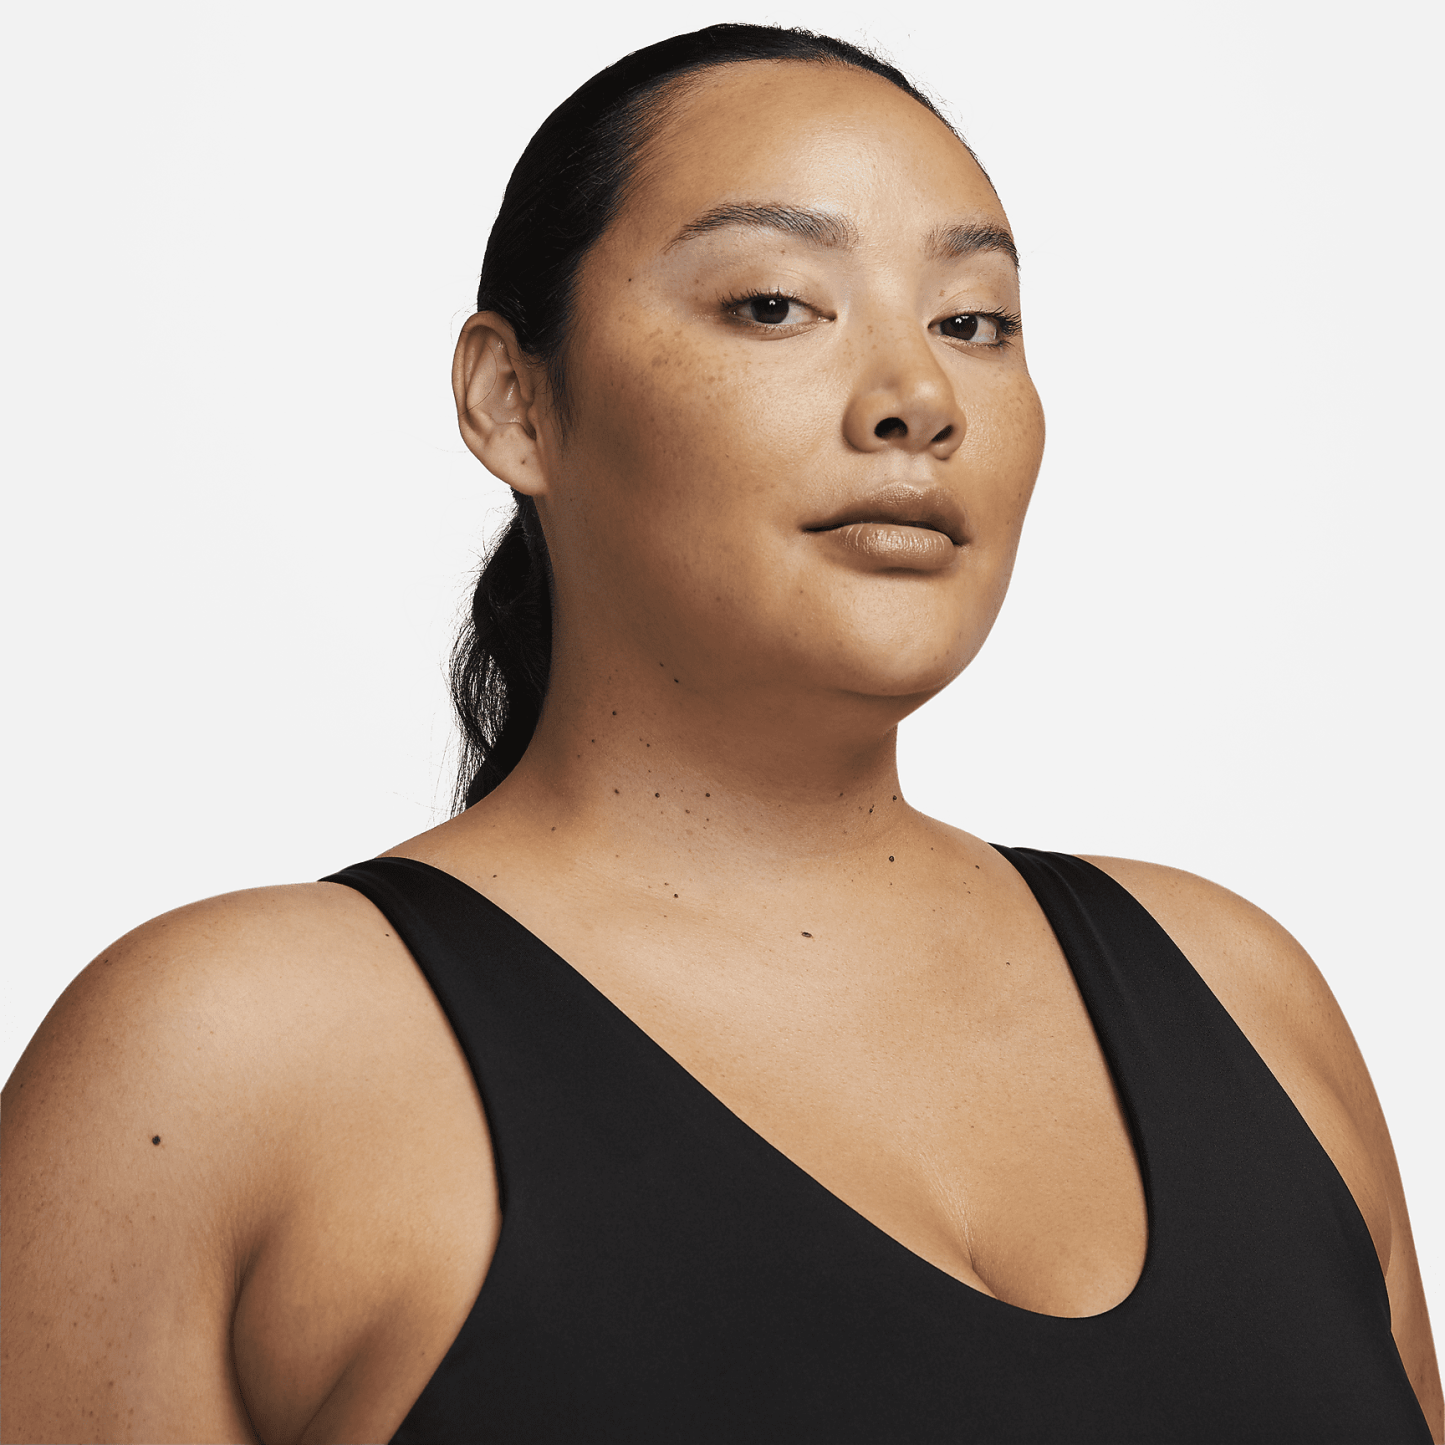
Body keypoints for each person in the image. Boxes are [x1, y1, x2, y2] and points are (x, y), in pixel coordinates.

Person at [1, 21, 1438, 1444]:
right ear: (512, 402)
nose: (918, 400)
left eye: (974, 323)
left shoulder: (1243, 998)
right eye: (773, 304)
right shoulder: (223, 1062)